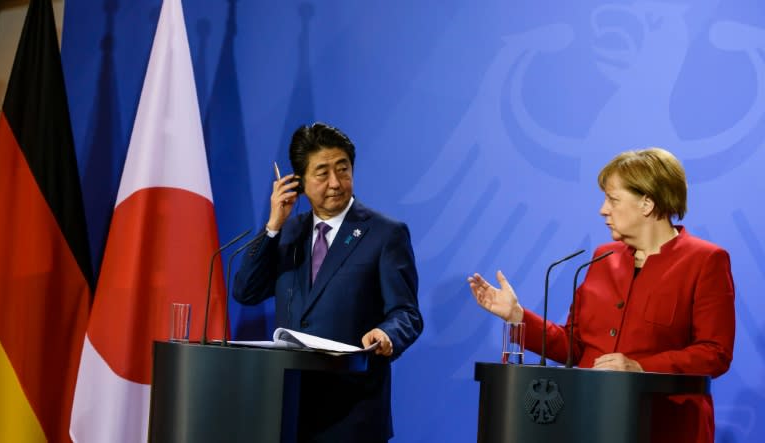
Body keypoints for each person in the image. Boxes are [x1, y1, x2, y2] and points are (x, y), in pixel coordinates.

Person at [468, 147, 735, 443]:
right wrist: (517, 317)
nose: (602, 210)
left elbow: (715, 353)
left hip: (663, 426)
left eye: (612, 199)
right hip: (587, 420)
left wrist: (640, 368)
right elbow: (575, 346)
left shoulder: (706, 260)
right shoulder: (602, 257)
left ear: (646, 203)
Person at [233, 122, 423, 442]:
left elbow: (407, 313)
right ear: (299, 182)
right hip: (288, 409)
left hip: (352, 413)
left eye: (343, 169)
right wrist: (272, 228)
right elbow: (246, 291)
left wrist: (387, 334)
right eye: (322, 173)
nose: (335, 183)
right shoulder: (288, 234)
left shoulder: (385, 234)